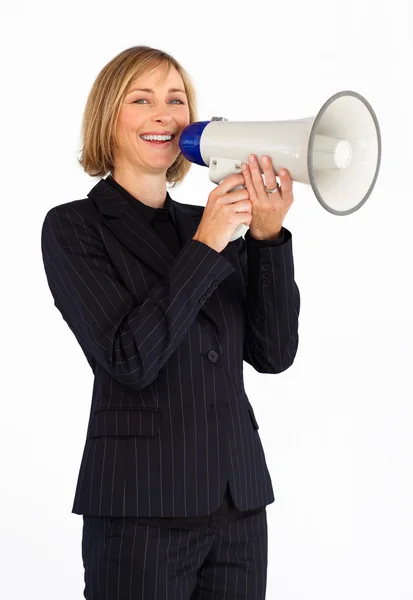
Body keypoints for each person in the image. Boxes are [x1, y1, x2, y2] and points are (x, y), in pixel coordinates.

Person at [40, 45, 300, 600]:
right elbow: (128, 359)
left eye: (176, 100)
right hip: (141, 509)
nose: (165, 114)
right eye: (143, 99)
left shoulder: (203, 222)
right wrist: (209, 243)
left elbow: (273, 353)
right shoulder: (75, 228)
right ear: (109, 118)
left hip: (238, 505)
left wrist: (267, 238)